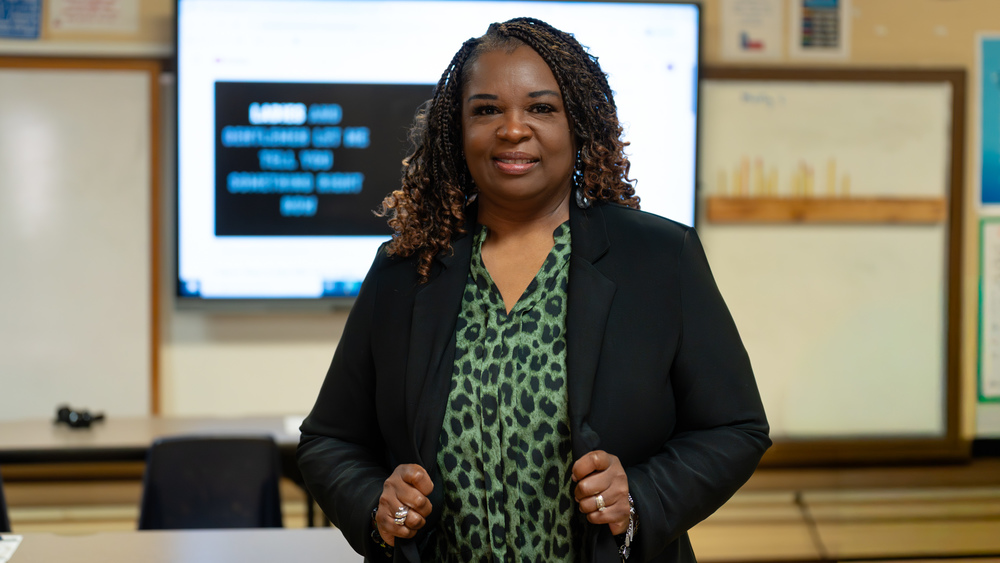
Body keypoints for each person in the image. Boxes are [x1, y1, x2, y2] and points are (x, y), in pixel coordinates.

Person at [297, 17, 770, 563]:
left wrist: (640, 496)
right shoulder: (407, 269)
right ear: (458, 130)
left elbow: (734, 427)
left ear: (579, 125)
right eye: (486, 110)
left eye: (541, 108)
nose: (512, 130)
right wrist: (375, 504)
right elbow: (329, 441)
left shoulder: (661, 259)